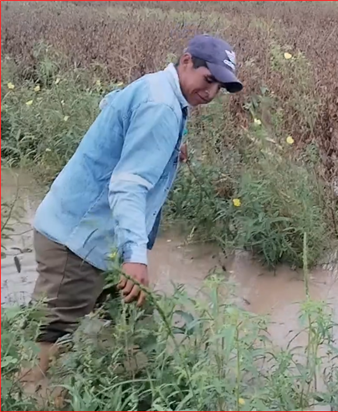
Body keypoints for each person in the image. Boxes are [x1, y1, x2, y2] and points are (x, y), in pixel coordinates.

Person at [20, 34, 243, 389]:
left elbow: (110, 103)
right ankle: (28, 395)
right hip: (77, 245)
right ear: (187, 61)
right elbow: (128, 185)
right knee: (49, 341)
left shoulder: (156, 88)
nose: (212, 93)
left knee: (134, 323)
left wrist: (164, 146)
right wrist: (135, 257)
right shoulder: (163, 107)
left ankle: (124, 391)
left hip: (91, 238)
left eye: (220, 86)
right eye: (209, 79)